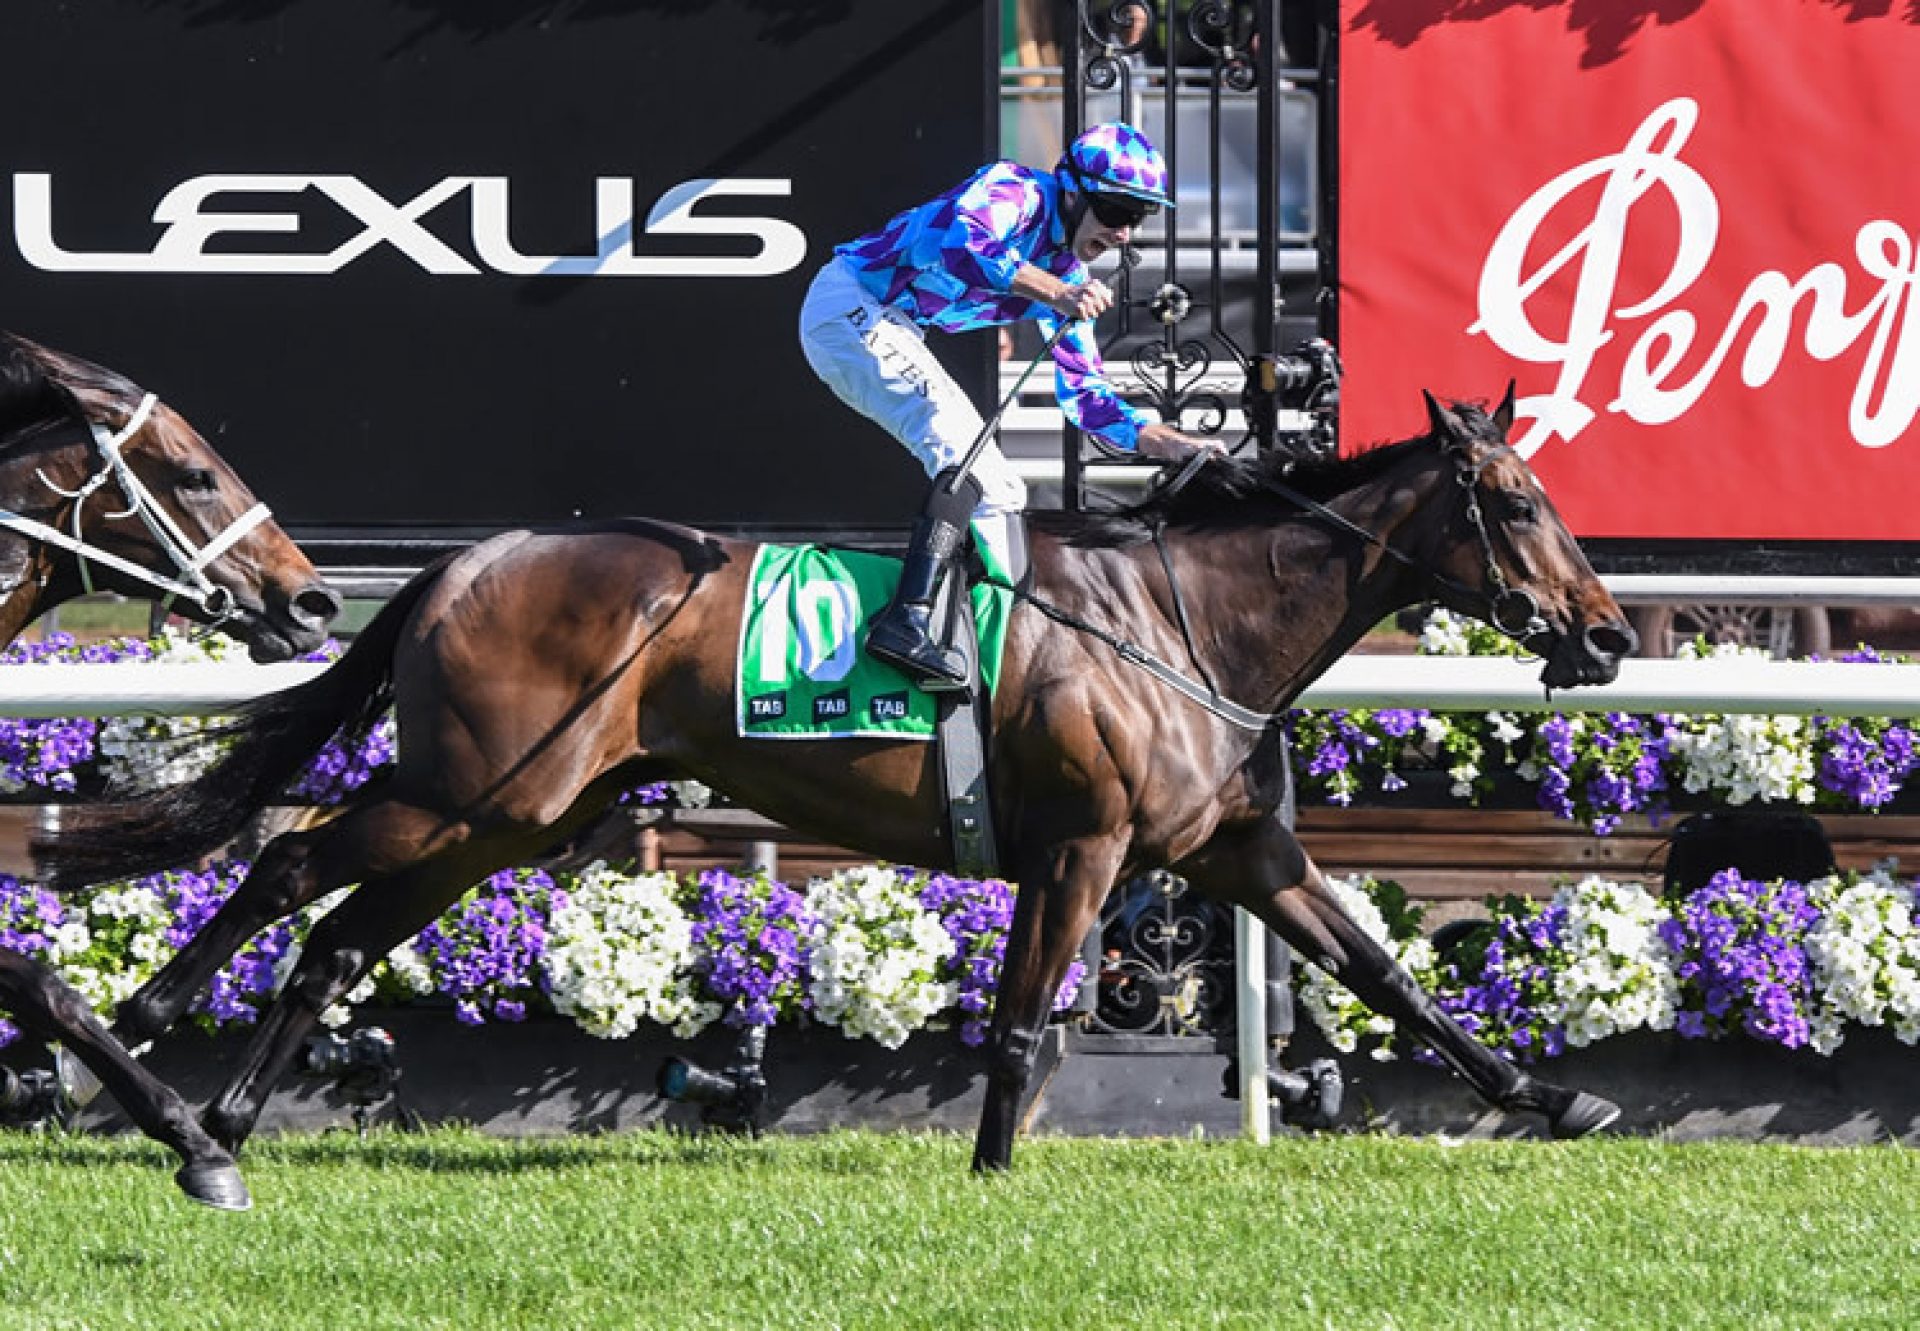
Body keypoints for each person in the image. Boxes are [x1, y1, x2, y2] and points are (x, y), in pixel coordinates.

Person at [799, 121, 1226, 691]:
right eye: (1117, 210)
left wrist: (1168, 443)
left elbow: (1090, 401)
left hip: (887, 324)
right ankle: (907, 623)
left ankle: (956, 624)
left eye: (1139, 217)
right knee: (965, 452)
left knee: (1003, 489)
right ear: (1071, 191)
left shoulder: (1065, 276)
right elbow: (964, 246)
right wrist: (1057, 293)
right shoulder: (1015, 190)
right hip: (848, 305)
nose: (1125, 233)